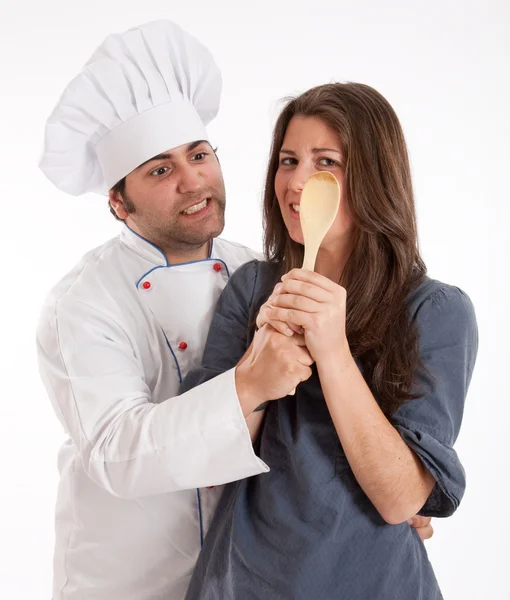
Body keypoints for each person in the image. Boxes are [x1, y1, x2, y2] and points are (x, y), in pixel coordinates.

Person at [36, 20, 433, 600]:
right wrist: (247, 385)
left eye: (199, 154)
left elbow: (309, 439)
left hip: (245, 574)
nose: (194, 180)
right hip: (129, 579)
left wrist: (386, 506)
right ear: (118, 202)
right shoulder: (85, 304)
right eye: (160, 169)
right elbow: (116, 453)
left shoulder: (259, 276)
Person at [182, 82, 478, 599]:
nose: (296, 184)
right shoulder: (253, 288)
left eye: (326, 163)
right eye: (288, 161)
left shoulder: (436, 313)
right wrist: (257, 369)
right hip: (241, 583)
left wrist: (333, 351)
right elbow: (204, 471)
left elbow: (401, 499)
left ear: (375, 176)